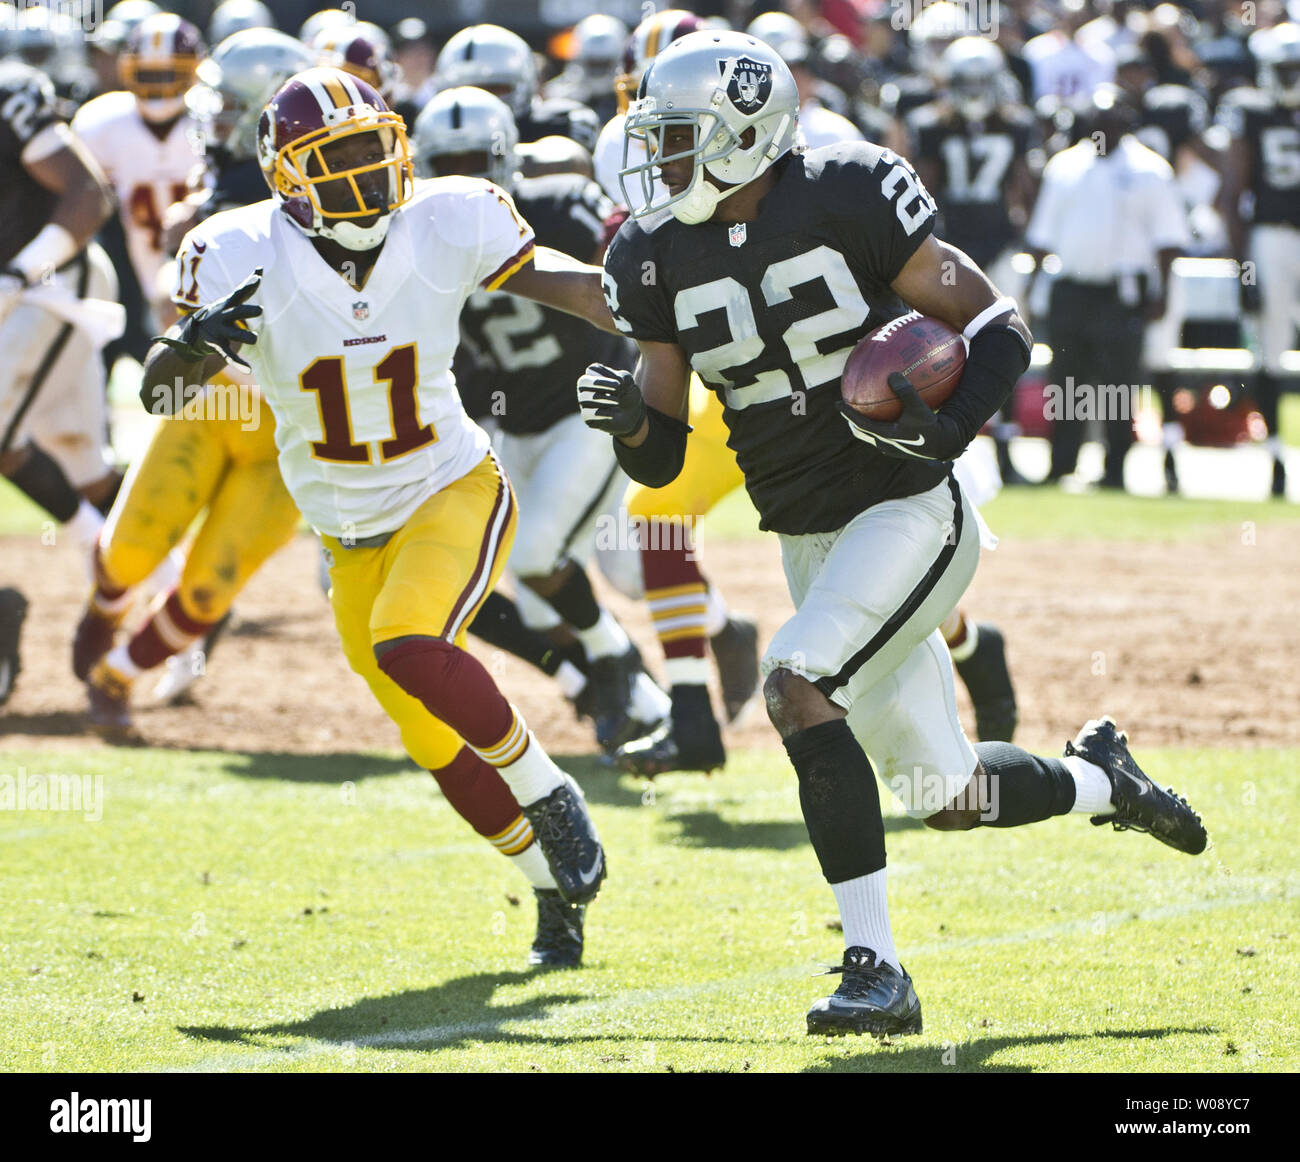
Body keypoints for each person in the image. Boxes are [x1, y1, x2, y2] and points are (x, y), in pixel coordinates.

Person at [585, 30, 1207, 1037]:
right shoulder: (648, 253)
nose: (658, 160)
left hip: (909, 505)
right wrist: (625, 421)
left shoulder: (847, 192)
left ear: (746, 136)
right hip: (809, 534)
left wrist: (948, 430)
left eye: (679, 138)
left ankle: (874, 968)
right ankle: (1106, 778)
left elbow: (998, 320)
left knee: (793, 682)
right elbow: (658, 462)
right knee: (943, 790)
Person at [140, 67, 616, 966]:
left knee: (409, 642)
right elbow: (162, 394)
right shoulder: (234, 251)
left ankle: (551, 792)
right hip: (346, 532)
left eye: (372, 148)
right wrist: (191, 347)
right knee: (431, 739)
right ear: (285, 174)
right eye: (337, 157)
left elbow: (576, 286)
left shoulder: (449, 213)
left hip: (450, 487)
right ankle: (552, 896)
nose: (364, 173)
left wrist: (659, 302)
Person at [73, 27, 318, 729]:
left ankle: (117, 677)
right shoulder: (223, 185)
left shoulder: (286, 201)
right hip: (213, 399)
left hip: (292, 425)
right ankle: (107, 611)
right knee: (128, 551)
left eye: (227, 108)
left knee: (209, 588)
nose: (209, 120)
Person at [412, 85, 670, 752]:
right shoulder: (417, 235)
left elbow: (623, 265)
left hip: (587, 405)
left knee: (535, 558)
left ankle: (621, 667)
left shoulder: (556, 204)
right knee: (519, 593)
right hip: (508, 423)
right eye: (449, 162)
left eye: (475, 158)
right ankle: (639, 698)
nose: (462, 176)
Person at [1025, 82, 1189, 490]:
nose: (1106, 129)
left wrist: (1163, 292)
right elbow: (1042, 236)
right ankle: (1061, 465)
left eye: (1114, 122)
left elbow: (1168, 240)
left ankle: (1115, 470)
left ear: (1127, 124)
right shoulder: (1065, 166)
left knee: (1117, 385)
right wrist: (1031, 288)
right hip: (1071, 287)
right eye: (1100, 121)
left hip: (1123, 290)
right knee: (1066, 382)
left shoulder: (1149, 169)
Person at [0, 57, 119, 562]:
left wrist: (20, 272)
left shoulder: (11, 94)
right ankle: (167, 578)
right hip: (19, 301)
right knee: (83, 465)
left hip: (54, 289)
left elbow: (89, 194)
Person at [1216, 22, 1300, 499]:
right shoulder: (1250, 110)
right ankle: (1277, 457)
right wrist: (1243, 268)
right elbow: (1233, 195)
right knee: (1269, 352)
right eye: (1283, 68)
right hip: (1272, 238)